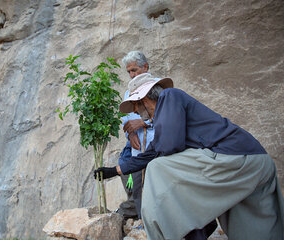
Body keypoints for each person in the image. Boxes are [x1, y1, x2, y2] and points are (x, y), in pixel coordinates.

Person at [94, 73, 284, 239]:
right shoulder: (166, 115)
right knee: (254, 225)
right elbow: (154, 150)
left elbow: (168, 147)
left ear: (143, 99)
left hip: (237, 159)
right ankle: (196, 228)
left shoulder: (170, 96)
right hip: (257, 162)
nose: (135, 112)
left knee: (158, 169)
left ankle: (185, 231)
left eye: (134, 106)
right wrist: (116, 170)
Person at [116, 51, 157, 220]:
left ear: (145, 67)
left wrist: (144, 123)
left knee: (156, 187)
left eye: (134, 70)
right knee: (138, 187)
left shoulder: (156, 88)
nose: (132, 75)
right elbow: (126, 118)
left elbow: (167, 115)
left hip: (155, 147)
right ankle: (143, 223)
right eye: (129, 72)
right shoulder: (128, 93)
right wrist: (130, 133)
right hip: (137, 148)